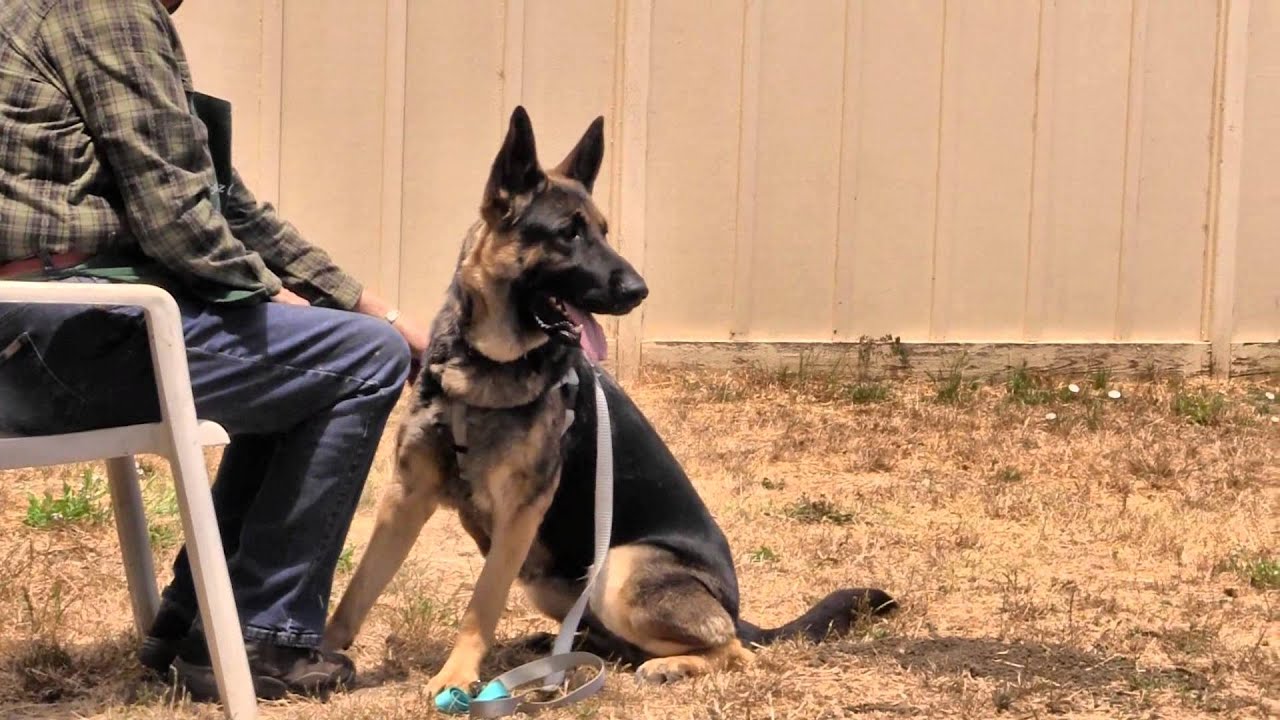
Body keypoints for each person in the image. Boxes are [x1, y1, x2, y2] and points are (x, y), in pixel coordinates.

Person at [0, 0, 430, 700]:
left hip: (49, 327)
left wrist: (373, 307)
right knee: (360, 361)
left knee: (336, 351)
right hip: (59, 332)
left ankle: (204, 619)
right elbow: (177, 221)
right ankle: (265, 635)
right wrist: (276, 299)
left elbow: (224, 205)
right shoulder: (107, 11)